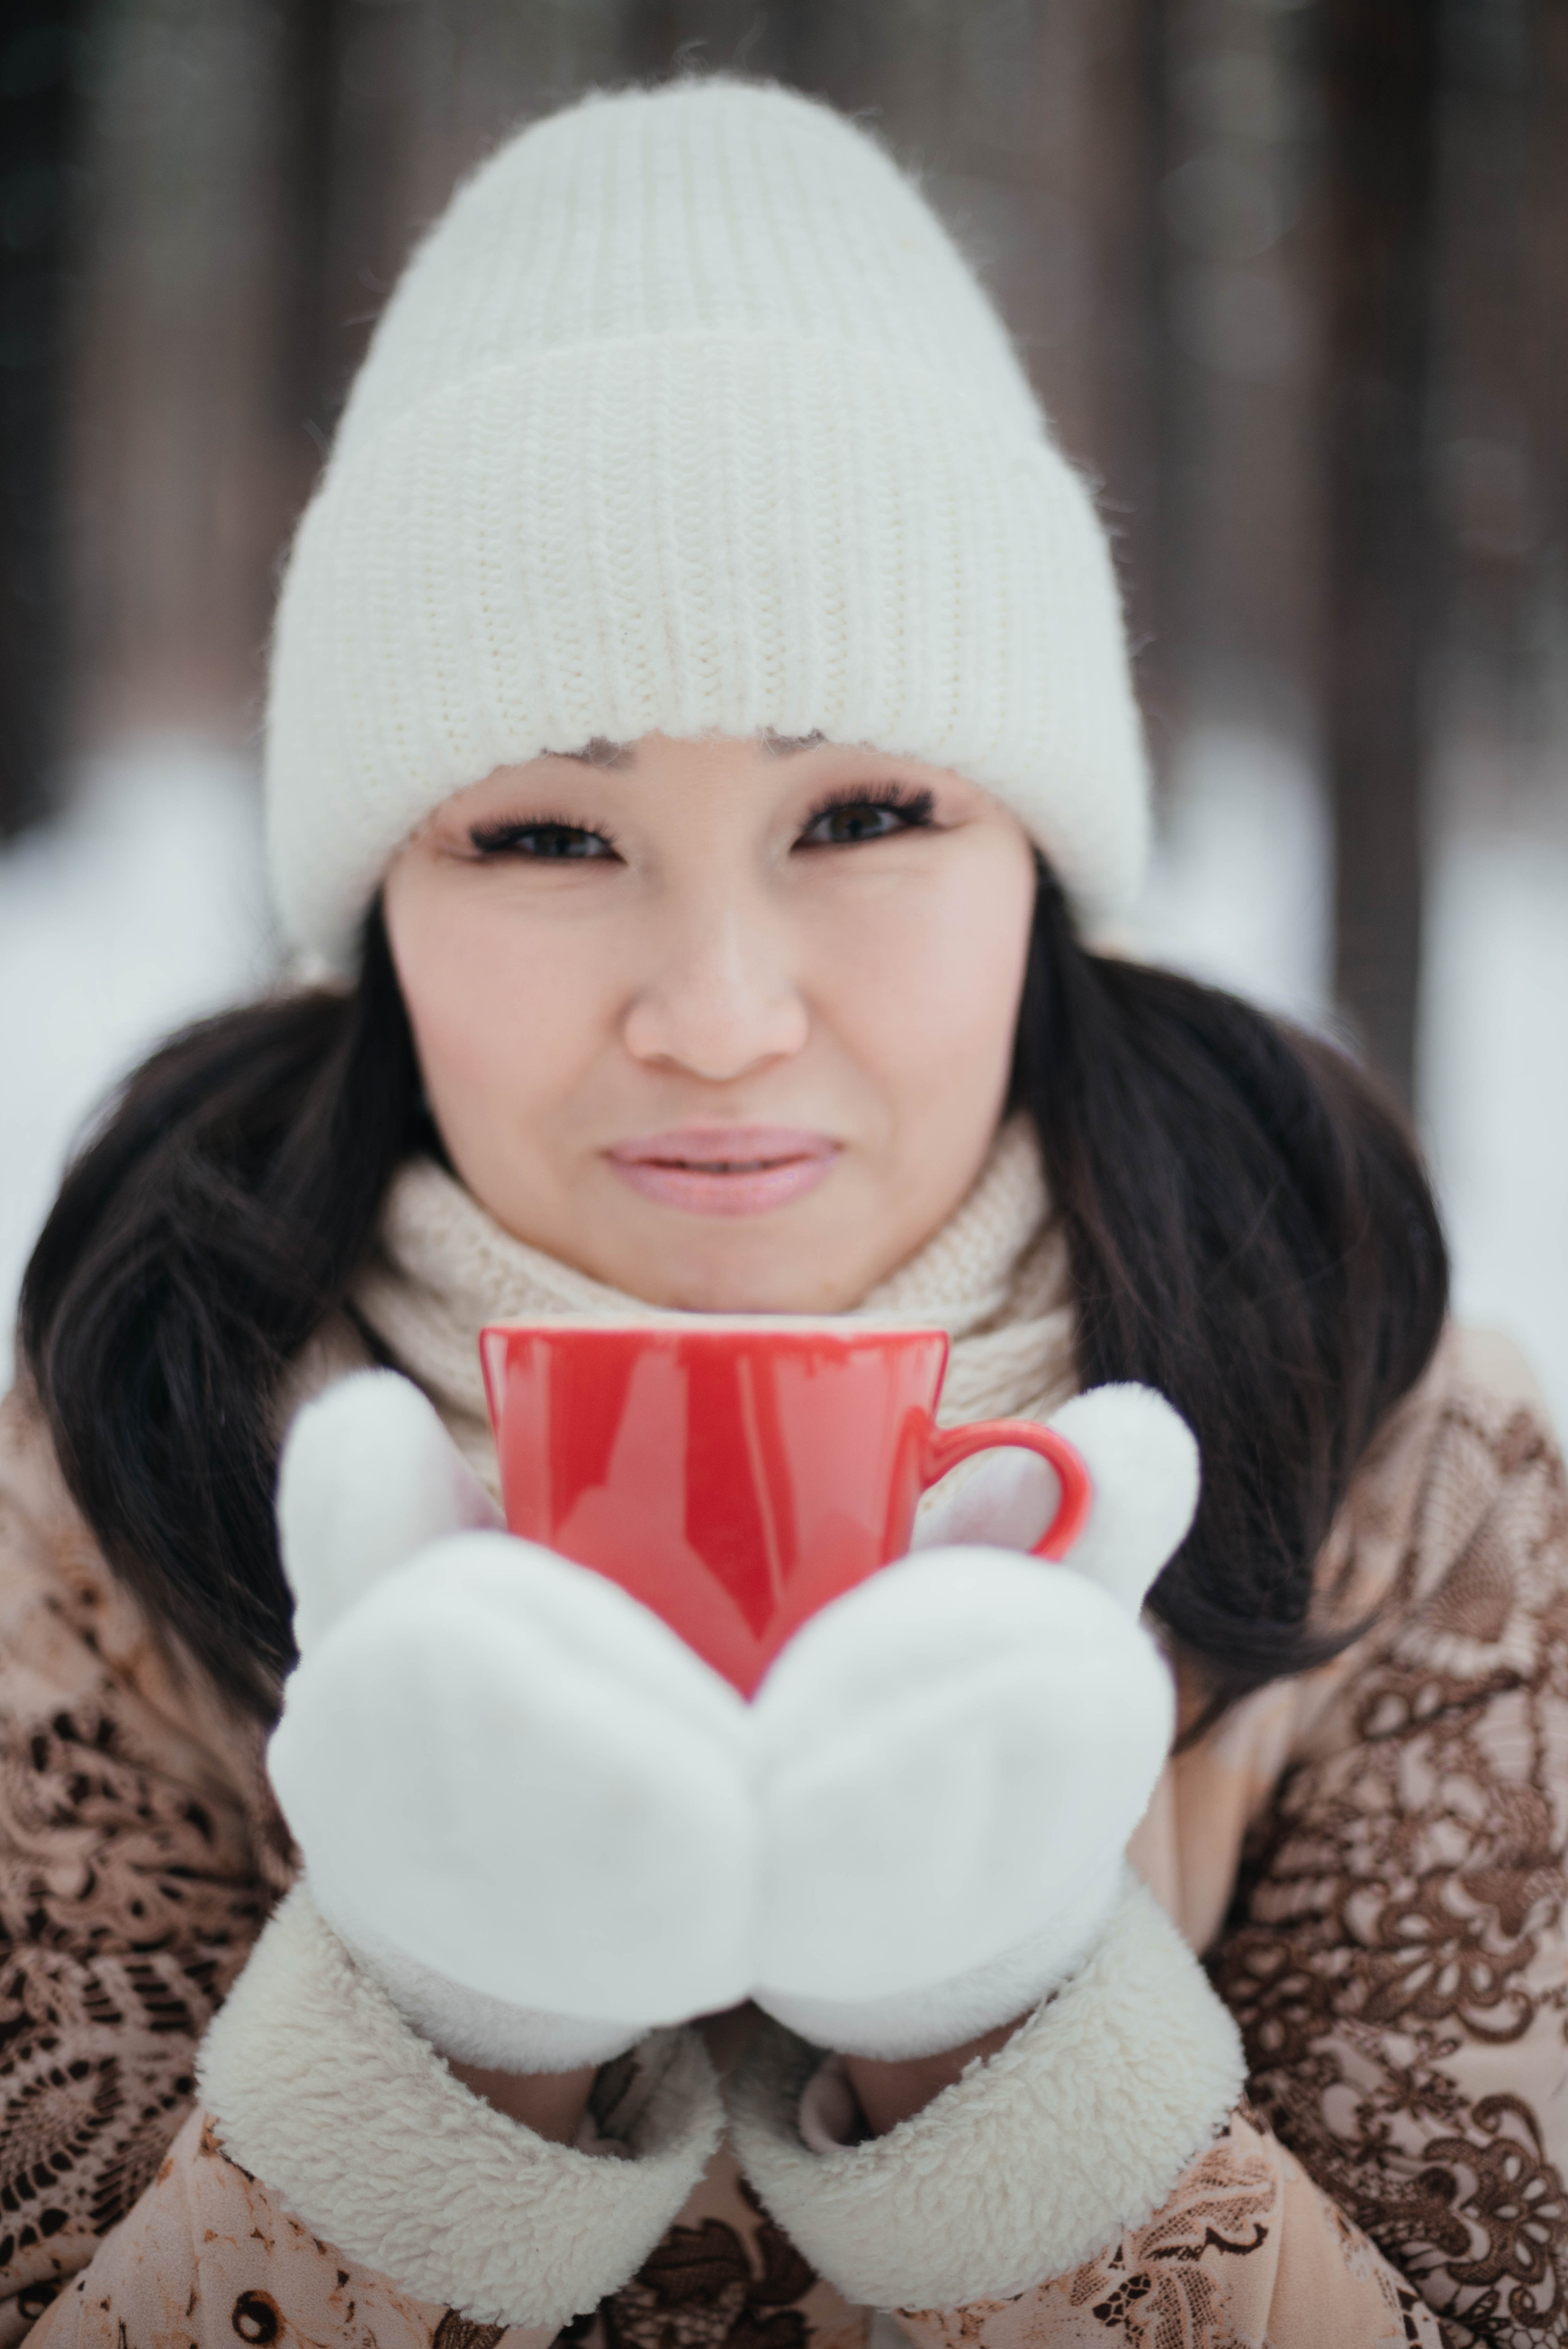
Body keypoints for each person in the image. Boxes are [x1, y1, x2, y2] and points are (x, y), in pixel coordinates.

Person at [3, 74, 1564, 2349]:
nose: (720, 1015)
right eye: (547, 836)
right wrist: (434, 2056)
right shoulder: (94, 1505)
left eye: (866, 813)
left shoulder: (1412, 1477)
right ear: (374, 904)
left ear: (1040, 852)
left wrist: (1007, 2045)